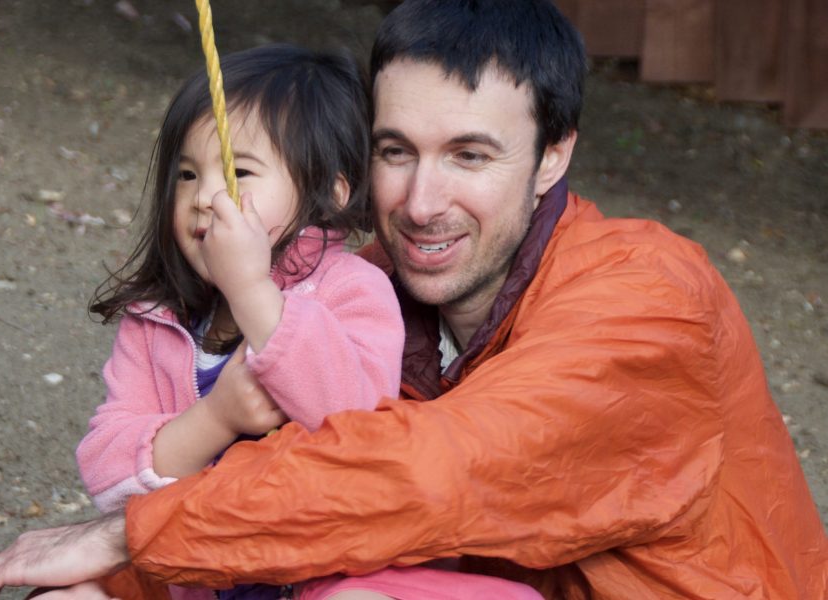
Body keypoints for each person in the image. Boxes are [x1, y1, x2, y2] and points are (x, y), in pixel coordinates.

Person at [0, 2, 828, 599]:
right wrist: (115, 580)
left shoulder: (647, 299)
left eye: (470, 156)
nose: (420, 202)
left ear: (553, 157)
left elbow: (433, 474)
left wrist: (131, 535)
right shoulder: (367, 285)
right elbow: (296, 477)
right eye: (396, 151)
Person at [63, 43, 537, 600]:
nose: (204, 197)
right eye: (187, 174)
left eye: (237, 172)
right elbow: (109, 477)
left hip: (331, 579)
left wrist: (252, 291)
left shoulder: (351, 289)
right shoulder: (158, 319)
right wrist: (216, 418)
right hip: (199, 580)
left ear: (327, 194)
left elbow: (355, 422)